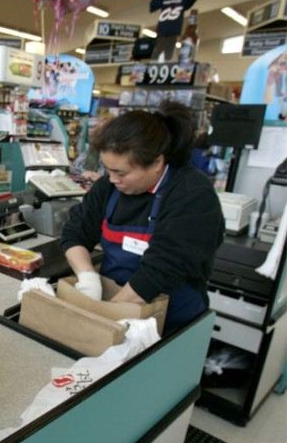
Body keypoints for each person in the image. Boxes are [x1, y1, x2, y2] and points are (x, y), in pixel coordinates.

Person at [61, 100, 225, 335]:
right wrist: (88, 279)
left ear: (157, 162)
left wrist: (103, 318)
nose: (112, 179)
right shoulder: (109, 186)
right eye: (107, 169)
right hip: (116, 302)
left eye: (120, 172)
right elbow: (75, 232)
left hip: (170, 323)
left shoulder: (192, 195)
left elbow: (161, 269)